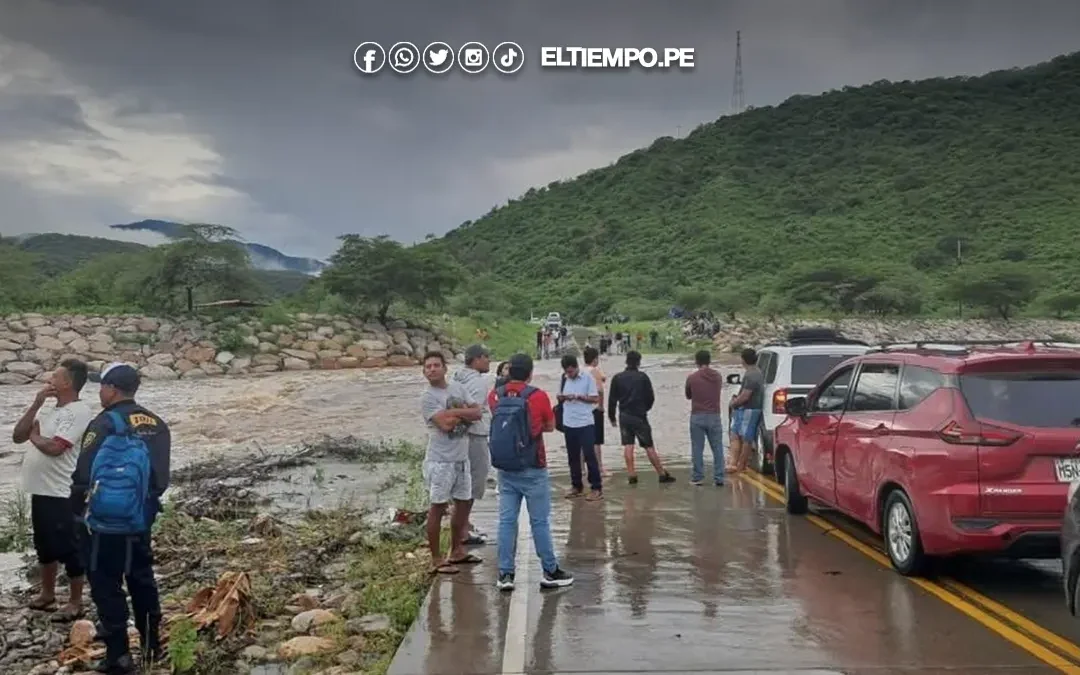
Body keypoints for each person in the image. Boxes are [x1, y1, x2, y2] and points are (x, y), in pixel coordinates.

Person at [74, 363, 171, 672]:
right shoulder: (157, 423)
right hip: (140, 518)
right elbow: (161, 480)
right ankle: (151, 647)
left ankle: (118, 655)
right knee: (142, 580)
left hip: (105, 522)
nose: (100, 392)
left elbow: (83, 475)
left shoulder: (102, 424)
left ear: (112, 388)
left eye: (101, 386)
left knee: (106, 585)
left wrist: (75, 515)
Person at [12, 359, 93, 620]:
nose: (49, 380)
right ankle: (47, 594)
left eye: (55, 377)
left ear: (68, 382)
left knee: (70, 545)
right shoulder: (51, 411)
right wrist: (36, 403)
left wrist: (36, 438)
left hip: (62, 490)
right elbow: (17, 435)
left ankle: (75, 601)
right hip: (41, 489)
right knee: (44, 544)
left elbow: (56, 448)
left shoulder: (79, 411)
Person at [487, 353, 574, 591]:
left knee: (506, 521)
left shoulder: (495, 395)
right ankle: (550, 570)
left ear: (509, 371)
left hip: (505, 467)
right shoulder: (537, 396)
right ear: (529, 373)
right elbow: (550, 426)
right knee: (539, 521)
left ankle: (505, 574)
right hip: (533, 466)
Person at [420, 351, 483, 574]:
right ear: (424, 372)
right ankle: (436, 559)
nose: (432, 369)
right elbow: (445, 425)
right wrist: (463, 414)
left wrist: (454, 411)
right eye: (428, 367)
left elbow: (478, 412)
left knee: (463, 503)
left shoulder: (457, 387)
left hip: (461, 457)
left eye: (436, 365)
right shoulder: (428, 398)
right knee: (438, 507)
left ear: (445, 368)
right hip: (440, 460)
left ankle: (457, 551)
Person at [607, 351, 675, 485]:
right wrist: (645, 408)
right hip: (639, 416)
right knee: (648, 445)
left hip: (624, 416)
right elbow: (651, 397)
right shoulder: (643, 377)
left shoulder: (617, 378)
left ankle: (632, 475)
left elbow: (612, 400)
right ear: (639, 362)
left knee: (628, 445)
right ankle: (661, 473)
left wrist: (612, 416)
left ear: (626, 361)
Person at [452, 345, 494, 546]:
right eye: (486, 357)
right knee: (474, 481)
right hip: (474, 435)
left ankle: (464, 525)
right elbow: (472, 411)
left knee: (462, 481)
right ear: (476, 359)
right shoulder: (477, 381)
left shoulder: (458, 377)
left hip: (459, 437)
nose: (489, 361)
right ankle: (462, 530)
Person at [557, 355, 602, 501]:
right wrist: (562, 397)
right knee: (573, 457)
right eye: (567, 372)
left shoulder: (588, 377)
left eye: (571, 372)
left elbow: (595, 398)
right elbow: (560, 396)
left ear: (576, 367)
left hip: (585, 422)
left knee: (589, 455)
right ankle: (576, 486)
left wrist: (578, 396)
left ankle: (596, 488)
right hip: (569, 422)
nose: (569, 375)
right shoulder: (564, 378)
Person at [685, 350, 724, 486]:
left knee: (697, 448)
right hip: (714, 415)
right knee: (718, 448)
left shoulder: (692, 378)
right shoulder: (718, 376)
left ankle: (698, 477)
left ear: (696, 361)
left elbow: (688, 395)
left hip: (697, 415)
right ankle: (719, 478)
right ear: (709, 361)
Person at [729, 348, 765, 474]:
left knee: (746, 438)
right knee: (737, 435)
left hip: (749, 409)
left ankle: (741, 465)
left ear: (743, 360)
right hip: (749, 409)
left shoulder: (751, 375)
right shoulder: (756, 372)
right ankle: (736, 464)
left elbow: (745, 395)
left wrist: (734, 403)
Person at [582, 346, 611, 478]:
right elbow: (600, 390)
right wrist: (601, 406)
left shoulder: (581, 371)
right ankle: (600, 468)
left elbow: (602, 378)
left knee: (583, 441)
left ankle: (582, 468)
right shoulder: (594, 371)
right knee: (597, 441)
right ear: (595, 359)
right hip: (594, 409)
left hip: (583, 409)